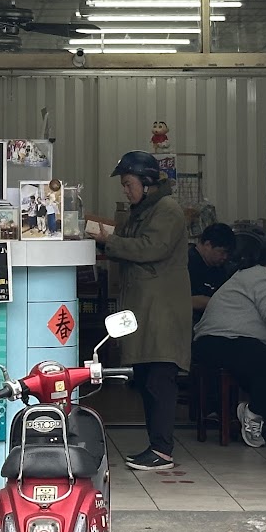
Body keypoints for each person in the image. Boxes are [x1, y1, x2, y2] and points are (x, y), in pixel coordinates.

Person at [96, 150, 191, 472]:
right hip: (146, 308)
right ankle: (156, 446)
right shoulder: (144, 209)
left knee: (160, 380)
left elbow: (152, 248)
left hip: (161, 310)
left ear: (147, 182)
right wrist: (106, 242)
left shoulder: (167, 209)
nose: (125, 190)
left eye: (128, 183)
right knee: (148, 379)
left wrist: (108, 240)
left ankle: (163, 450)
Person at [191, 239, 266, 448]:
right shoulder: (262, 277)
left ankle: (259, 416)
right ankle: (254, 414)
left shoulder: (254, 276)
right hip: (220, 340)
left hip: (220, 341)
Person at [189, 223, 237, 321]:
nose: (225, 257)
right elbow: (184, 300)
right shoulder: (187, 263)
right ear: (207, 245)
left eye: (228, 253)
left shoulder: (219, 267)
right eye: (222, 252)